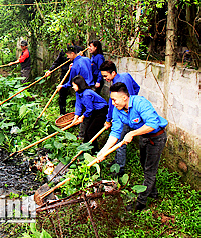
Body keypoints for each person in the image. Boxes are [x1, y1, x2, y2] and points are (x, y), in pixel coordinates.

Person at [98, 82, 167, 212]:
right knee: (144, 165)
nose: (113, 103)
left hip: (157, 137)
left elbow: (153, 124)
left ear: (124, 98)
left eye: (114, 100)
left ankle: (140, 203)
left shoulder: (140, 103)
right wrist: (103, 151)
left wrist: (132, 133)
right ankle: (153, 192)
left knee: (149, 170)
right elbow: (115, 133)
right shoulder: (118, 111)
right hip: (144, 138)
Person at [100, 60, 141, 175]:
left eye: (106, 76)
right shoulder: (126, 76)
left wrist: (108, 120)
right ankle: (117, 161)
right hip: (130, 112)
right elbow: (136, 87)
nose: (105, 78)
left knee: (119, 141)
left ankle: (119, 169)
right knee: (119, 139)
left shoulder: (115, 88)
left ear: (113, 73)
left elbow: (111, 106)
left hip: (125, 115)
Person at [70, 75, 108, 153]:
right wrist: (76, 117)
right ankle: (84, 149)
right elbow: (78, 105)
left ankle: (95, 152)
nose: (73, 87)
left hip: (102, 111)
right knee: (87, 130)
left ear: (79, 85)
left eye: (74, 85)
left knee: (91, 132)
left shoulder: (86, 94)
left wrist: (82, 117)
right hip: (95, 111)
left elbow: (89, 109)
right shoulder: (78, 92)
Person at [45, 43, 83, 115]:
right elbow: (57, 62)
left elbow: (83, 61)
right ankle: (62, 113)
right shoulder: (63, 51)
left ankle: (80, 113)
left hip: (76, 74)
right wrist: (50, 70)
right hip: (65, 74)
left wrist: (81, 56)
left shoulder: (78, 49)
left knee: (80, 93)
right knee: (62, 93)